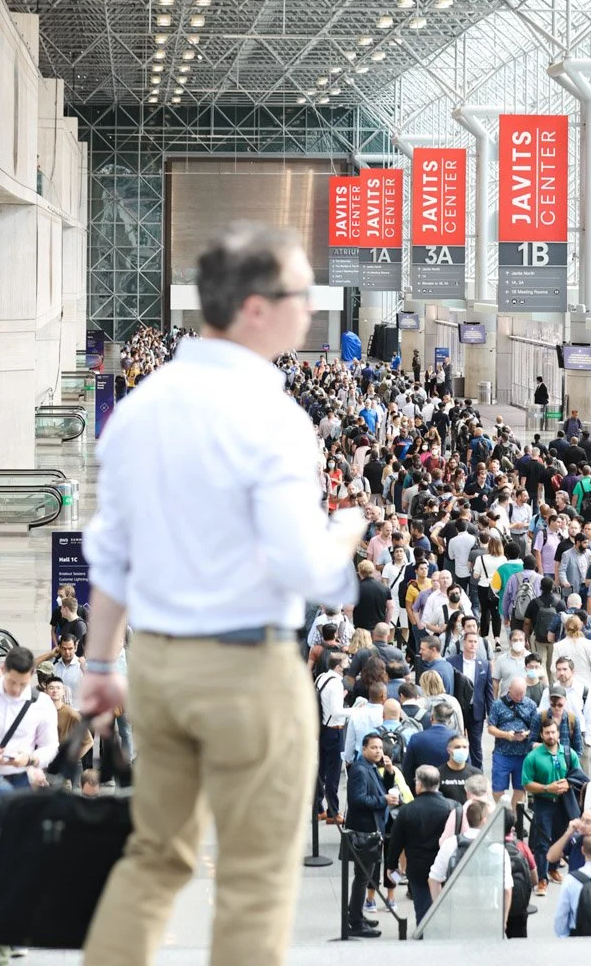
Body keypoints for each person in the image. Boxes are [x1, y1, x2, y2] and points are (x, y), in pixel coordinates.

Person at [80, 222, 365, 966]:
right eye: (301, 293)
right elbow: (305, 568)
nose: (312, 307)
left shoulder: (139, 408)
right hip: (247, 673)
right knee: (254, 880)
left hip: (160, 668)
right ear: (255, 308)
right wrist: (345, 537)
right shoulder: (272, 418)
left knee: (153, 858)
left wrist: (101, 667)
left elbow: (112, 552)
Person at [0, 646, 59, 789]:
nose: (16, 689)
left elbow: (50, 746)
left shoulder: (42, 704)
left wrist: (30, 759)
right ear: (3, 669)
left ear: (32, 675)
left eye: (23, 684)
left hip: (21, 778)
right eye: (12, 682)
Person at [345, 732, 399, 938]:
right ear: (364, 749)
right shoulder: (360, 770)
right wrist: (383, 801)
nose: (378, 751)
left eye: (380, 748)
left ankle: (356, 916)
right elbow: (357, 800)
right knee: (362, 878)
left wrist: (389, 772)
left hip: (372, 830)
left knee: (364, 876)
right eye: (374, 748)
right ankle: (355, 921)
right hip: (364, 833)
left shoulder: (371, 768)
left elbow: (379, 789)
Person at [386, 764, 455, 925]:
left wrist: (392, 866)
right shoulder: (452, 807)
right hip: (447, 867)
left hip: (418, 869)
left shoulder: (407, 811)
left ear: (419, 784)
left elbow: (396, 842)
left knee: (423, 911)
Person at [522, 717, 582, 897]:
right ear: (541, 734)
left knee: (560, 838)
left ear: (558, 733)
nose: (550, 735)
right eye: (547, 732)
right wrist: (547, 788)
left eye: (553, 732)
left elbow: (578, 777)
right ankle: (542, 878)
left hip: (564, 803)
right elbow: (526, 783)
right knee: (542, 842)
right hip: (544, 803)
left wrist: (567, 785)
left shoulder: (569, 753)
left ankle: (554, 868)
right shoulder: (533, 757)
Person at [487, 677, 538, 807]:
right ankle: (505, 811)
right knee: (497, 790)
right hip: (502, 752)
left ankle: (515, 817)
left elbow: (536, 728)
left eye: (522, 694)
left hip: (523, 754)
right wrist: (505, 735)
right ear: (509, 689)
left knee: (520, 789)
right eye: (516, 694)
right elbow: (491, 728)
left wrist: (526, 734)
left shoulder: (530, 705)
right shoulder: (498, 705)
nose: (519, 697)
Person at [449, 631, 493, 768]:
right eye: (470, 641)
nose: (473, 644)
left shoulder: (484, 665)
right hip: (457, 710)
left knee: (476, 745)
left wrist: (491, 714)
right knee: (456, 742)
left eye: (475, 642)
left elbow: (488, 690)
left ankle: (477, 775)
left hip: (476, 710)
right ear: (463, 643)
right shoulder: (452, 662)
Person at [315, 651, 349, 824]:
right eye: (345, 663)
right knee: (333, 773)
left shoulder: (322, 677)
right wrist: (355, 711)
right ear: (338, 667)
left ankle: (318, 809)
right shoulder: (335, 683)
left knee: (321, 771)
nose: (348, 665)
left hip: (322, 728)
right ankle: (333, 812)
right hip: (334, 729)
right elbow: (336, 711)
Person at [436, 732, 479, 806]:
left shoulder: (476, 774)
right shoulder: (437, 774)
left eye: (465, 747)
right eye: (457, 747)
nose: (461, 750)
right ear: (449, 750)